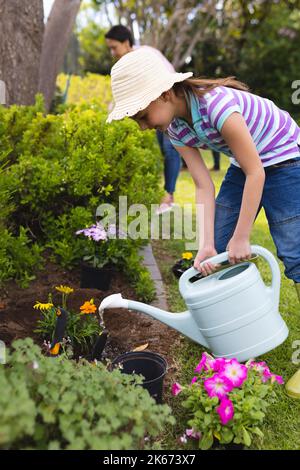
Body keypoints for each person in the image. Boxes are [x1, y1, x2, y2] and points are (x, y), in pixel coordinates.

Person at [106, 47, 300, 389]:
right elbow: (202, 184)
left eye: (141, 116)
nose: (140, 127)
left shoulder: (219, 107)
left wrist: (243, 237)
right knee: (219, 245)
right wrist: (207, 244)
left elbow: (258, 173)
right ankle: (235, 329)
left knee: (293, 253)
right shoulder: (174, 128)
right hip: (247, 165)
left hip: (284, 159)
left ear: (164, 94)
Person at [105, 25, 181, 213]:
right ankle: (167, 194)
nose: (112, 52)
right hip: (156, 108)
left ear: (125, 42)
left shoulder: (145, 55)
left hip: (168, 105)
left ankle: (168, 196)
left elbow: (164, 82)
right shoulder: (126, 63)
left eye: (114, 47)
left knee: (171, 149)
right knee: (166, 150)